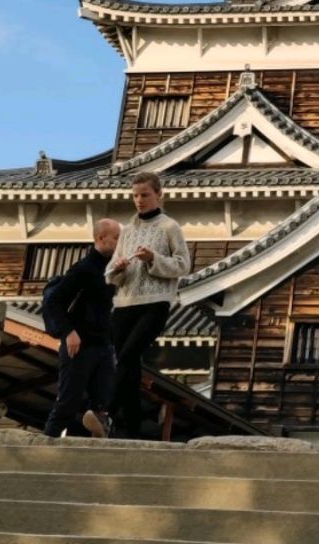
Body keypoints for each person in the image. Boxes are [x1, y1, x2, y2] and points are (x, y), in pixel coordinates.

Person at [106, 170, 190, 439]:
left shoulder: (170, 227)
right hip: (123, 304)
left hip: (155, 303)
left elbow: (183, 265)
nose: (139, 200)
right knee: (128, 365)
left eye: (145, 195)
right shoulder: (126, 231)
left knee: (129, 356)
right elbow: (109, 274)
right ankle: (129, 427)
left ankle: (104, 411)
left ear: (159, 195)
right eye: (135, 196)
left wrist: (154, 258)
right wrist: (117, 268)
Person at [43, 217, 121, 439]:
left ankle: (100, 441)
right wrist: (68, 332)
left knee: (104, 400)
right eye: (116, 238)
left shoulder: (111, 269)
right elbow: (54, 301)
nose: (119, 242)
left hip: (104, 343)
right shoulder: (83, 268)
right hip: (79, 344)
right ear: (100, 238)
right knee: (69, 400)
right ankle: (42, 447)